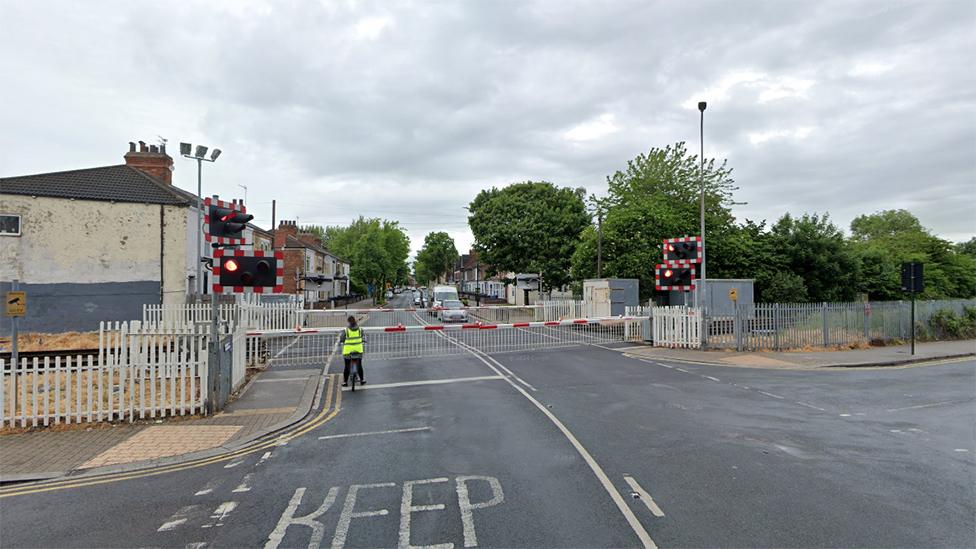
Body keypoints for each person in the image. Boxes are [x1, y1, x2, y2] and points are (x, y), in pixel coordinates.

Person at [340, 315, 365, 387]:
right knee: (359, 365)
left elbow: (342, 339)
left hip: (348, 351)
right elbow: (362, 336)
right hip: (358, 350)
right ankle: (362, 380)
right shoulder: (360, 329)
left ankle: (345, 382)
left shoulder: (346, 330)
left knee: (347, 366)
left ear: (348, 322)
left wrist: (342, 341)